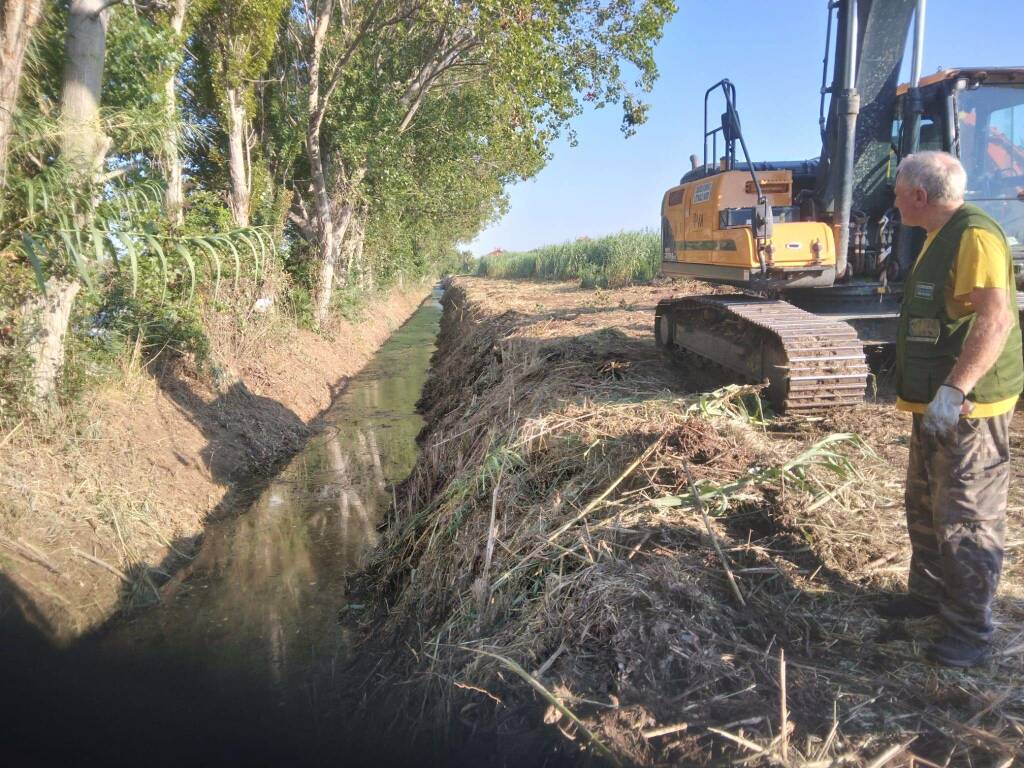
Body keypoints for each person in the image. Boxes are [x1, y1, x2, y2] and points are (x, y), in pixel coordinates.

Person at [881, 150, 1023, 667]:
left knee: (966, 516)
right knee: (923, 503)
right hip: (936, 402)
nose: (893, 202)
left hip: (968, 409)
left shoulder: (974, 236)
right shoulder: (938, 234)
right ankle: (927, 599)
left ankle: (968, 631)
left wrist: (956, 389)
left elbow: (997, 320)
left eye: (897, 193)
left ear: (919, 196)